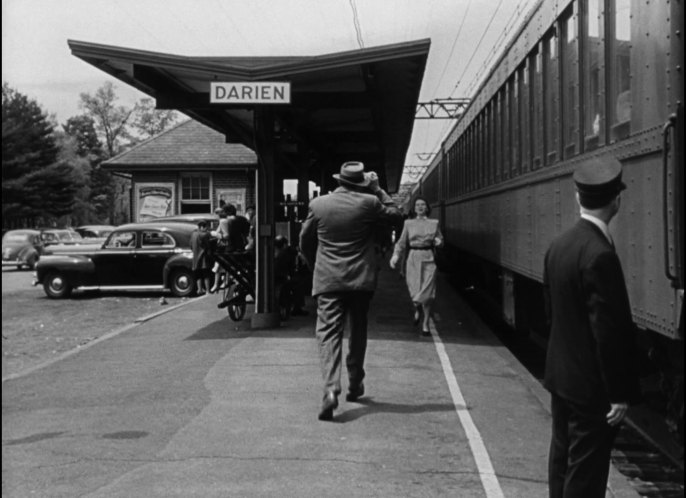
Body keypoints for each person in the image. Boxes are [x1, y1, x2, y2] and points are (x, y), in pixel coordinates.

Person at [543, 157, 641, 498]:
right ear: (617, 201)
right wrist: (618, 393)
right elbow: (607, 333)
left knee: (562, 462)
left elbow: (552, 315)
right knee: (586, 475)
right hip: (591, 389)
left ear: (577, 197)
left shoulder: (559, 245)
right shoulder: (600, 253)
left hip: (562, 378)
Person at [300, 161, 402, 421]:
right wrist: (378, 189)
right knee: (358, 328)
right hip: (360, 280)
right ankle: (355, 382)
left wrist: (317, 266)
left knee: (328, 333)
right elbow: (396, 214)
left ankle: (331, 388)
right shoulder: (369, 203)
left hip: (328, 279)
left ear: (339, 181)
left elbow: (305, 241)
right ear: (361, 182)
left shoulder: (319, 204)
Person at [389, 197, 443, 336]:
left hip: (428, 258)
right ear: (414, 208)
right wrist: (395, 255)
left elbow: (441, 240)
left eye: (423, 205)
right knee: (415, 290)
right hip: (413, 258)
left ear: (427, 208)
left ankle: (425, 323)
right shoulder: (408, 223)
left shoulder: (434, 223)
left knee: (428, 293)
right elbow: (401, 242)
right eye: (417, 205)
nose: (420, 207)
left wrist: (439, 242)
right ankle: (417, 308)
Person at [189, 220, 211, 295]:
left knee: (198, 274)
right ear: (202, 227)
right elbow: (208, 244)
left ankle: (199, 289)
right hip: (203, 257)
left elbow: (191, 245)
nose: (206, 229)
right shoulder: (205, 234)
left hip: (195, 257)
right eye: (206, 227)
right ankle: (207, 290)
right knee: (206, 274)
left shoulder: (193, 234)